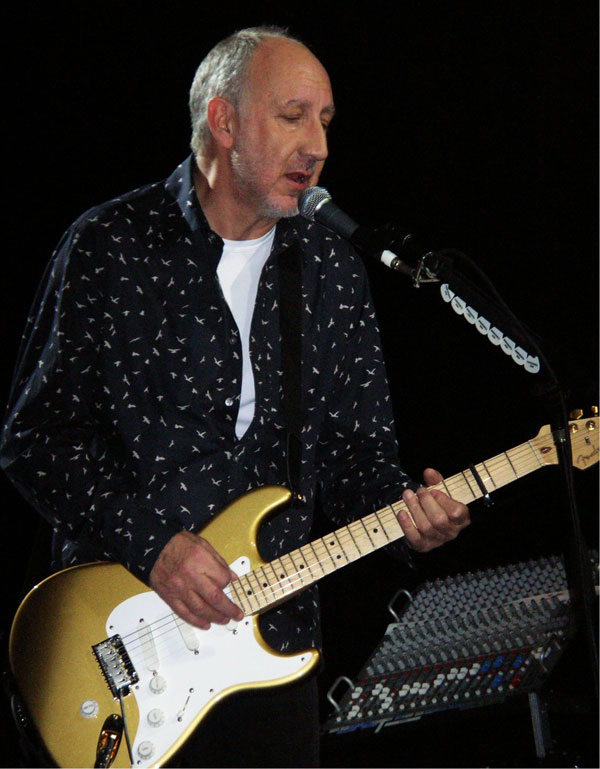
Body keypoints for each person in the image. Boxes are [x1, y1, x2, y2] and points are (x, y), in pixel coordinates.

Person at [1, 26, 470, 767]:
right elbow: (36, 439)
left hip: (273, 650)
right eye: (293, 116)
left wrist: (411, 512)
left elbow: (359, 459)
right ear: (222, 122)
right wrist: (155, 545)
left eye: (325, 120)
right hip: (118, 646)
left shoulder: (331, 272)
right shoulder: (111, 247)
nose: (316, 144)